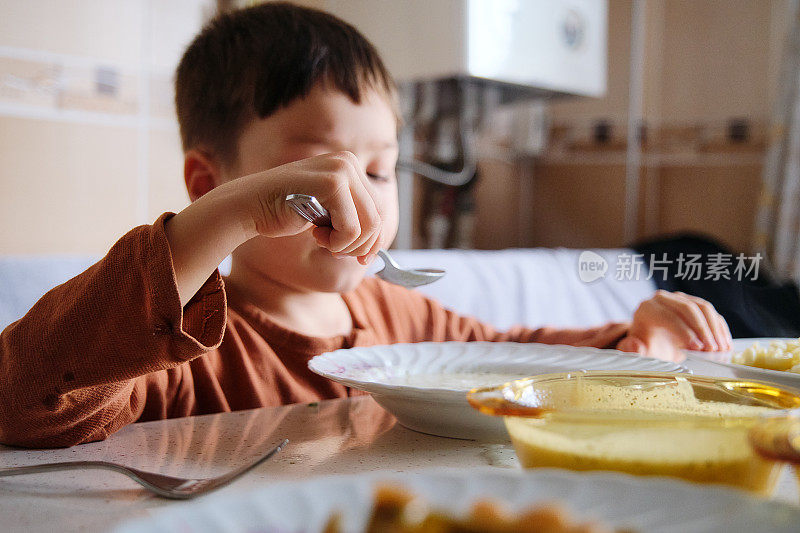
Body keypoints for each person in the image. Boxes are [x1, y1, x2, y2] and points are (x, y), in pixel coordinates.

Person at [0, 2, 731, 448]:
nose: (365, 203)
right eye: (314, 177)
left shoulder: (398, 314)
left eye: (379, 171)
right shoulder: (174, 350)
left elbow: (511, 358)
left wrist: (631, 340)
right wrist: (220, 221)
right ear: (210, 184)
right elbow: (25, 400)